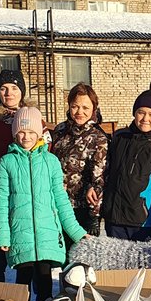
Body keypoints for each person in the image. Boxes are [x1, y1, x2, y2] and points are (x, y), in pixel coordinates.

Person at [0, 107, 89, 301]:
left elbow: (61, 200)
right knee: (21, 288)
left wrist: (76, 232)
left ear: (39, 133)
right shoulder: (6, 162)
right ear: (14, 134)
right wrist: (3, 234)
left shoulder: (51, 161)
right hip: (20, 234)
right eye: (21, 132)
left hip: (47, 235)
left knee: (45, 286)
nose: (26, 137)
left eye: (31, 132)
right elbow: (2, 202)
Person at [0, 69, 34, 282]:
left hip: (25, 194)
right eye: (3, 88)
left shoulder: (33, 119)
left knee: (25, 252)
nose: (8, 93)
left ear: (21, 91)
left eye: (13, 88)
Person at [101, 90, 151, 242]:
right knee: (115, 265)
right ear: (134, 113)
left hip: (142, 222)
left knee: (139, 265)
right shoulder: (119, 138)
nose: (145, 118)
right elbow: (105, 173)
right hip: (113, 218)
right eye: (141, 112)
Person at [50, 83, 109, 246]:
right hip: (57, 203)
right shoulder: (60, 131)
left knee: (79, 258)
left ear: (93, 109)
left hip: (81, 207)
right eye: (75, 106)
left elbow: (99, 177)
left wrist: (94, 215)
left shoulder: (98, 138)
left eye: (85, 107)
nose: (80, 112)